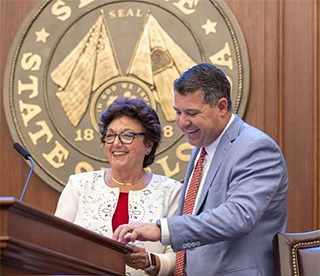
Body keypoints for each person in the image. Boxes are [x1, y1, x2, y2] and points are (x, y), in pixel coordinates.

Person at [113, 63, 288, 276]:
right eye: (178, 112)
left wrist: (161, 229)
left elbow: (237, 216)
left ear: (222, 107)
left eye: (192, 113)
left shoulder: (256, 148)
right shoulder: (201, 148)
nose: (182, 122)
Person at [55, 97, 182, 276]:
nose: (116, 143)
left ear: (148, 145)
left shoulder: (171, 192)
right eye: (110, 135)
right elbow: (55, 245)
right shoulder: (79, 186)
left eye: (127, 135)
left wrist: (149, 261)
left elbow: (180, 258)